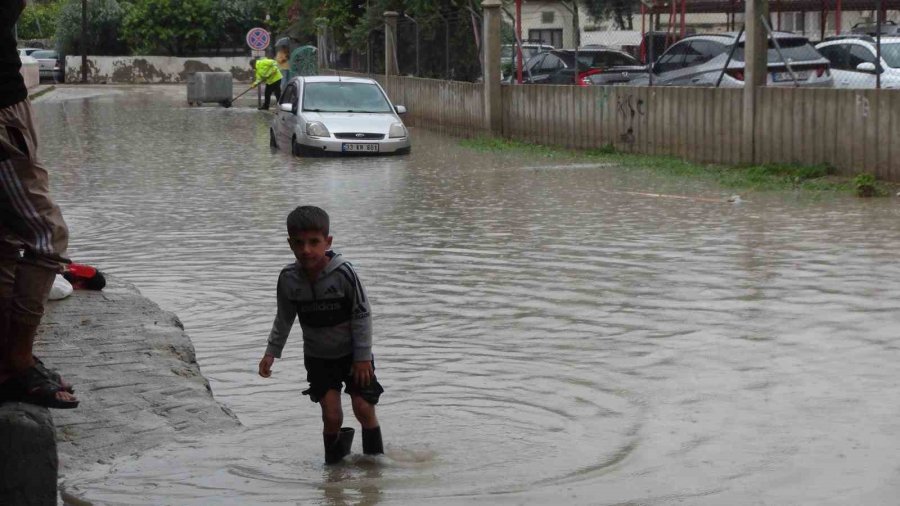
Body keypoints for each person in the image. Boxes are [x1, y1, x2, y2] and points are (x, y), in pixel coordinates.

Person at [258, 206, 384, 464]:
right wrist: (271, 352)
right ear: (290, 243)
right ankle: (334, 470)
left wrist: (362, 358)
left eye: (314, 242)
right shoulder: (288, 279)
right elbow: (284, 317)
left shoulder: (344, 274)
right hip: (319, 358)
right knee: (331, 415)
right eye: (299, 243)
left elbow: (362, 315)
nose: (306, 250)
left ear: (327, 242)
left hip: (352, 355)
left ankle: (375, 466)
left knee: (363, 408)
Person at [0, 0, 78, 409]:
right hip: (2, 110)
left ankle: (10, 365)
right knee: (47, 234)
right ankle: (15, 361)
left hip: (9, 102)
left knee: (5, 240)